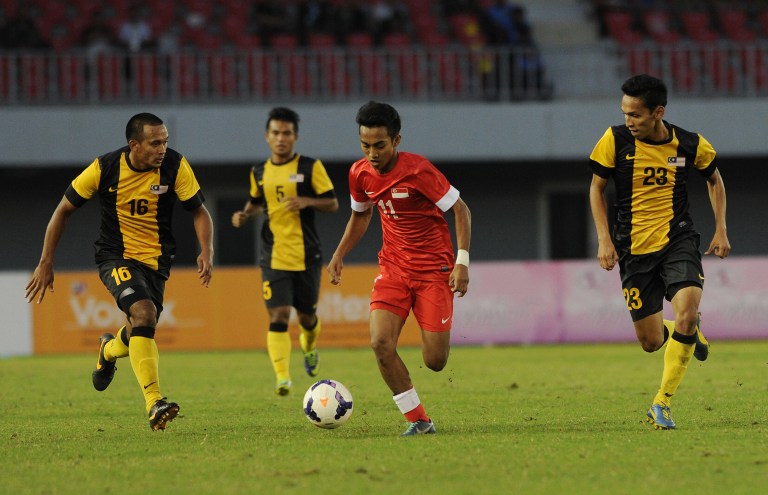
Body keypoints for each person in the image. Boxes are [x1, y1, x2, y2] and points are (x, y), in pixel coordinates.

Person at [25, 113, 214, 431]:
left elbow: (199, 211)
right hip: (116, 257)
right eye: (155, 143)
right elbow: (63, 210)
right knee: (144, 313)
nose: (162, 149)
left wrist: (206, 249)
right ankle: (154, 402)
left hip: (157, 262)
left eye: (165, 142)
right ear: (134, 145)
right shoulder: (105, 168)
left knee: (140, 325)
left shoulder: (175, 166)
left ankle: (109, 349)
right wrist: (46, 261)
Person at [588, 74, 730, 430]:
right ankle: (686, 333)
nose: (628, 121)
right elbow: (596, 188)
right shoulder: (614, 140)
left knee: (687, 313)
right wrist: (604, 239)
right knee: (650, 342)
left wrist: (721, 229)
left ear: (658, 112)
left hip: (677, 239)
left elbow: (714, 179)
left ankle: (661, 402)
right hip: (633, 248)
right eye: (625, 113)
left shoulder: (689, 144)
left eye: (635, 114)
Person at [327, 101, 471, 436]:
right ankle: (419, 420)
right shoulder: (359, 173)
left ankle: (434, 337)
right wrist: (339, 253)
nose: (372, 154)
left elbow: (461, 210)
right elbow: (361, 215)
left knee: (435, 361)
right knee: (380, 342)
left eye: (379, 145)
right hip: (393, 268)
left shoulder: (419, 171)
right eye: (365, 146)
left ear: (396, 140)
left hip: (434, 271)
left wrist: (461, 262)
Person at [231, 107, 338, 396]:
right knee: (278, 315)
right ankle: (282, 378)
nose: (281, 138)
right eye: (276, 133)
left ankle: (309, 346)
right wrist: (244, 214)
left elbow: (332, 203)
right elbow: (257, 202)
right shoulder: (259, 172)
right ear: (267, 136)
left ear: (295, 137)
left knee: (306, 319)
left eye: (287, 133)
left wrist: (307, 201)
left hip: (307, 255)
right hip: (274, 255)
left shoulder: (310, 167)